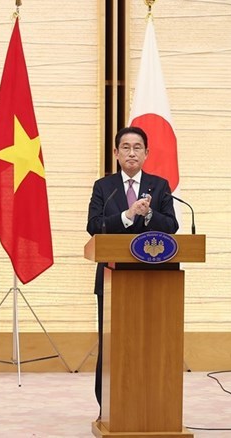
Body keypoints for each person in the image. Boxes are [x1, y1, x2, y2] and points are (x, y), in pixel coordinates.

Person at [86, 126, 178, 418]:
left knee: (152, 343)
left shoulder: (160, 185)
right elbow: (94, 225)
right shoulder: (104, 187)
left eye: (137, 147)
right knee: (112, 344)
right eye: (125, 147)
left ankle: (153, 407)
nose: (131, 153)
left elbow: (172, 227)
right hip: (113, 279)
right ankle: (108, 408)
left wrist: (148, 213)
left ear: (147, 153)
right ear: (115, 153)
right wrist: (128, 215)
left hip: (154, 281)